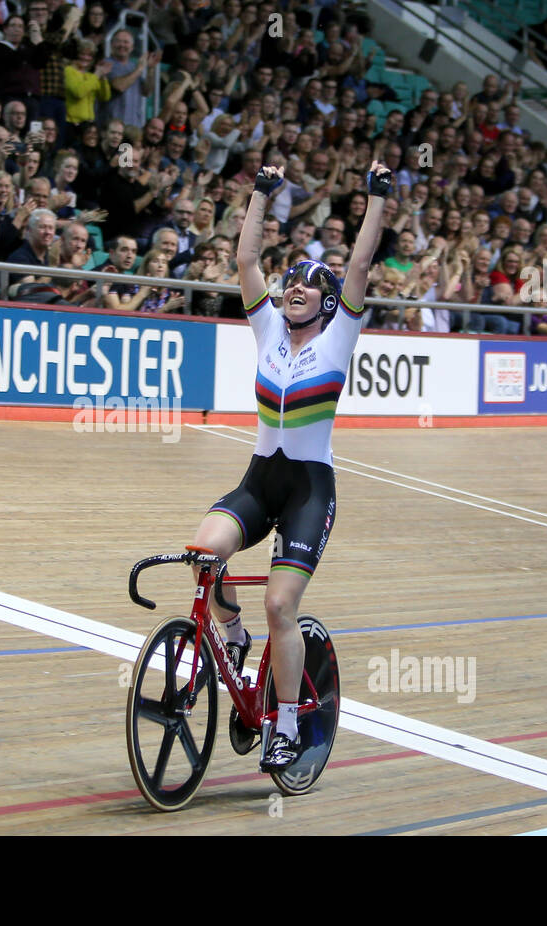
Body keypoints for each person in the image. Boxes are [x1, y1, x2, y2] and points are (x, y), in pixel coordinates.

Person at [191, 160, 393, 772]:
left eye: (308, 283)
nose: (294, 287)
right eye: (291, 281)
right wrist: (259, 193)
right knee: (203, 552)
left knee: (281, 606)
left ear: (329, 302)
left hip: (308, 489)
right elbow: (246, 261)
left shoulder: (338, 337)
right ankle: (232, 639)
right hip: (260, 479)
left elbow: (359, 265)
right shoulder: (268, 328)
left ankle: (283, 723)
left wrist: (377, 197)